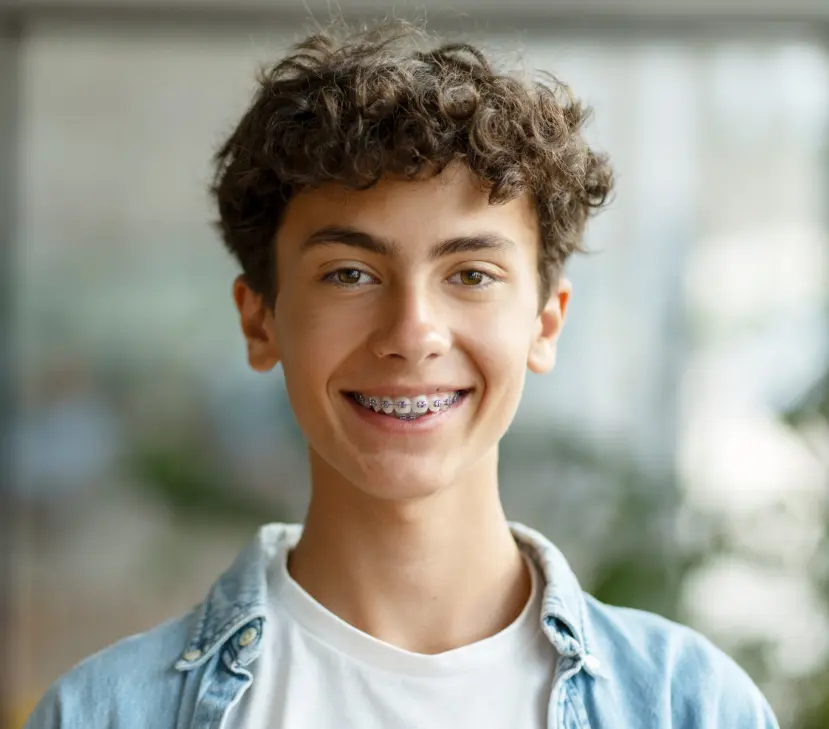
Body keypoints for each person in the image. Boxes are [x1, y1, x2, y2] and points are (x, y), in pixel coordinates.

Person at [25, 20, 779, 729]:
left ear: (544, 322)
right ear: (260, 320)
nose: (412, 333)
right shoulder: (104, 712)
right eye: (350, 272)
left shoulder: (690, 704)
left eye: (472, 274)